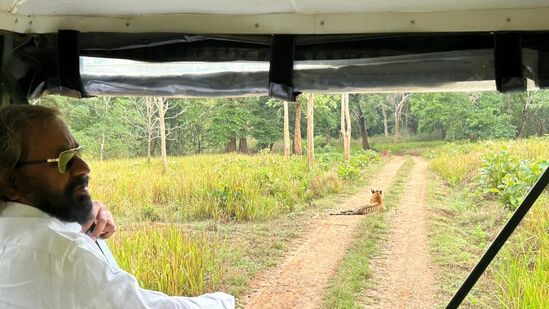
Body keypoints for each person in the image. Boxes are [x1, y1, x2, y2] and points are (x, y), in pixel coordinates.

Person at [0, 104, 235, 309]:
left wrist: (82, 216)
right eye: (63, 160)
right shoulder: (66, 256)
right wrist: (224, 301)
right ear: (12, 183)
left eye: (77, 153)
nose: (83, 167)